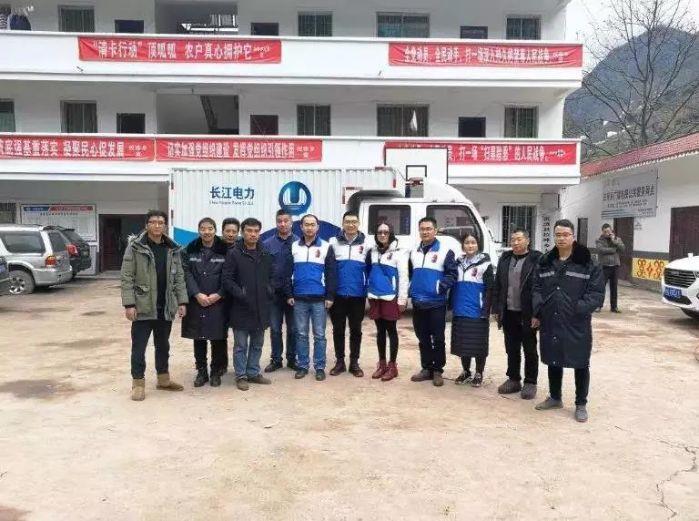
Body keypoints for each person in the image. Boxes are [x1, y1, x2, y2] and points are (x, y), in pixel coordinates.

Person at [532, 219, 604, 423]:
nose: (561, 238)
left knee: (580, 362)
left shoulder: (588, 263)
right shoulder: (546, 261)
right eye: (558, 235)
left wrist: (577, 308)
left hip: (576, 322)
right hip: (550, 319)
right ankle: (555, 397)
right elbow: (536, 288)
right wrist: (539, 310)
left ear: (573, 236)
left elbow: (596, 294)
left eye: (565, 235)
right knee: (553, 358)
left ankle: (581, 404)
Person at [121, 210, 188, 401]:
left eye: (161, 222)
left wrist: (182, 301)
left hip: (165, 307)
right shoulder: (135, 247)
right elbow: (127, 277)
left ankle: (163, 379)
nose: (157, 225)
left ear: (165, 225)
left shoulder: (172, 248)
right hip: (143, 306)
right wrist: (129, 304)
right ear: (146, 225)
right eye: (153, 222)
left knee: (163, 346)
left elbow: (179, 277)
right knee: (139, 347)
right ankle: (138, 384)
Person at [222, 218, 278, 391]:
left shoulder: (265, 253)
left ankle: (253, 372)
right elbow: (227, 279)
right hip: (241, 306)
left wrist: (269, 290)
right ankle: (241, 376)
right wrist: (241, 294)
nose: (253, 234)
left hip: (261, 306)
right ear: (243, 232)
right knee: (241, 345)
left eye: (256, 231)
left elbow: (272, 276)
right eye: (249, 231)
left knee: (257, 343)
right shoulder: (234, 253)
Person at [492, 229, 544, 400]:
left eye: (519, 239)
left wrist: (537, 313)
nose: (515, 242)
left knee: (529, 348)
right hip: (508, 311)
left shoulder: (537, 259)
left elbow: (541, 287)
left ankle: (530, 382)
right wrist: (496, 309)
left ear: (527, 241)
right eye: (513, 239)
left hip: (527, 313)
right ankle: (513, 379)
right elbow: (498, 285)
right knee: (511, 348)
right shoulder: (505, 258)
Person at [408, 216, 457, 387]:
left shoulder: (445, 251)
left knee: (438, 338)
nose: (425, 232)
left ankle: (437, 370)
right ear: (419, 231)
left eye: (428, 229)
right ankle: (426, 368)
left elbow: (452, 274)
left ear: (435, 230)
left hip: (436, 302)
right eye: (422, 229)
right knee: (422, 337)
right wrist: (411, 289)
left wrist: (440, 287)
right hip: (418, 302)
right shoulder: (414, 251)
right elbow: (410, 273)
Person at [287, 214, 337, 381]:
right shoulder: (294, 246)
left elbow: (331, 273)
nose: (309, 227)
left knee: (319, 335)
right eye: (306, 224)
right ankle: (302, 365)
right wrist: (289, 294)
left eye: (312, 224)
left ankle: (319, 366)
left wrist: (330, 296)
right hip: (299, 298)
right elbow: (287, 272)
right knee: (301, 334)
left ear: (317, 227)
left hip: (319, 299)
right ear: (301, 227)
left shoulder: (326, 246)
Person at [181, 217, 229, 388]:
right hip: (197, 301)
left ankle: (216, 371)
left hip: (218, 302)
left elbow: (230, 275)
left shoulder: (225, 250)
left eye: (210, 228)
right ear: (198, 230)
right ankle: (201, 371)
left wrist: (219, 294)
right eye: (203, 228)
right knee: (199, 337)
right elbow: (186, 273)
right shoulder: (190, 249)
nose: (206, 232)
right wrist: (196, 293)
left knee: (217, 337)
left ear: (215, 230)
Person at [328, 211, 370, 377]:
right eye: (347, 221)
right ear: (343, 223)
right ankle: (340, 362)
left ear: (358, 224)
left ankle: (354, 363)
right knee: (338, 330)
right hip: (338, 295)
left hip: (358, 295)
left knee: (356, 330)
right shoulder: (333, 242)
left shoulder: (367, 244)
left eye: (354, 222)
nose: (351, 225)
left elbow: (370, 269)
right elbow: (329, 269)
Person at [451, 233, 494, 388]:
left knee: (478, 344)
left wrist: (486, 309)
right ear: (463, 245)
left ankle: (479, 373)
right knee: (463, 344)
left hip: (477, 310)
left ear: (478, 245)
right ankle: (466, 371)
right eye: (467, 242)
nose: (470, 245)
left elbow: (490, 288)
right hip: (460, 309)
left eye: (473, 242)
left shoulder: (485, 264)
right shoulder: (457, 263)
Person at [366, 222, 408, 382]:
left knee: (391, 331)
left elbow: (403, 276)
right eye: (379, 232)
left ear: (391, 234)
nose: (382, 235)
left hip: (391, 297)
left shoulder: (399, 252)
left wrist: (402, 299)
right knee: (380, 331)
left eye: (386, 232)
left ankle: (392, 366)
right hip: (375, 296)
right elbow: (369, 272)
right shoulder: (372, 251)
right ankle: (382, 364)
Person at [263, 209, 299, 372]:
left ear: (291, 222)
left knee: (293, 329)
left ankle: (292, 359)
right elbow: (263, 269)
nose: (283, 224)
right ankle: (276, 360)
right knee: (275, 329)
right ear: (276, 223)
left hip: (294, 294)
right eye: (279, 221)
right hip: (274, 294)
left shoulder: (299, 243)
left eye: (286, 221)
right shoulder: (267, 244)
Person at [219, 217, 240, 374]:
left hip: (236, 298)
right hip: (218, 298)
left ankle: (241, 367)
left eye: (234, 231)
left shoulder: (242, 248)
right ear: (222, 231)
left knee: (240, 335)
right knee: (220, 334)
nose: (231, 234)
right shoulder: (215, 248)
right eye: (228, 231)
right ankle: (221, 365)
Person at [595, 223, 625, 313]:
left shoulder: (617, 239)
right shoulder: (599, 240)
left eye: (608, 231)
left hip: (615, 266)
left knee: (614, 288)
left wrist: (614, 241)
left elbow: (622, 249)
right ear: (602, 232)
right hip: (604, 267)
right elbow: (601, 250)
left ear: (611, 230)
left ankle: (614, 307)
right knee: (601, 287)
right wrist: (613, 250)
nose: (607, 233)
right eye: (605, 232)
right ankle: (598, 306)